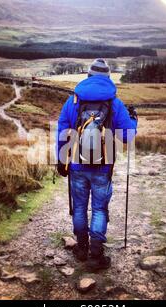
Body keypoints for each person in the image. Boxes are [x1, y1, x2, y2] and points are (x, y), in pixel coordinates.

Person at [57, 59, 138, 271]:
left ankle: (81, 248)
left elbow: (62, 131)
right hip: (104, 165)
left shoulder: (72, 101)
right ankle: (95, 255)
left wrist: (61, 159)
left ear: (89, 76)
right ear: (108, 77)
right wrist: (133, 119)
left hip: (76, 164)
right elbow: (128, 137)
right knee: (100, 208)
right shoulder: (115, 103)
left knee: (80, 206)